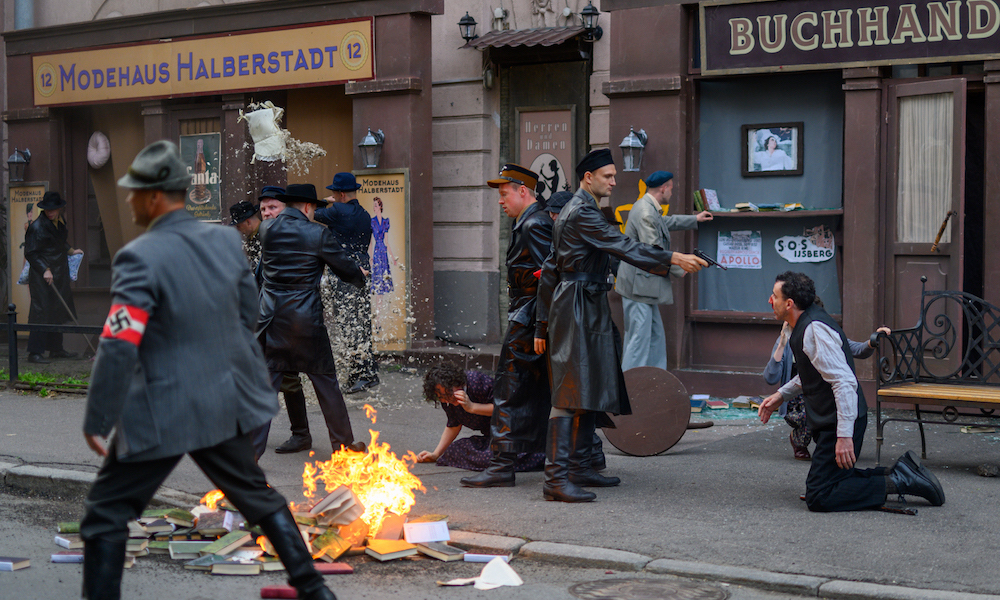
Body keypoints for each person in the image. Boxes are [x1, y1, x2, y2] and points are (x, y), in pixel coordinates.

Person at [79, 140, 337, 600]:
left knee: (105, 514)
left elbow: (119, 343)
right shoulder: (224, 241)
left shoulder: (138, 256)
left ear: (153, 197)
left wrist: (98, 416)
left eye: (134, 192)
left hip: (161, 407)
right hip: (222, 399)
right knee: (257, 496)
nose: (130, 200)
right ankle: (315, 590)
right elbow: (248, 312)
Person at [534, 148, 707, 503]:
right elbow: (622, 245)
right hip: (578, 305)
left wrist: (542, 322)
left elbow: (551, 267)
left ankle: (578, 467)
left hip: (585, 302)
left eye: (614, 175)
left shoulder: (579, 209)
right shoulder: (581, 211)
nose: (614, 181)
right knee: (570, 392)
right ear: (588, 178)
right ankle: (555, 479)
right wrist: (672, 257)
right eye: (608, 176)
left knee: (588, 386)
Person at [758, 271, 945, 512]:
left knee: (820, 496)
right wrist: (781, 395)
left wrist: (844, 436)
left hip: (840, 421)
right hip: (833, 419)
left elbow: (844, 382)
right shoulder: (805, 324)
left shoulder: (814, 329)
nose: (770, 300)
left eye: (774, 296)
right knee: (828, 483)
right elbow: (816, 372)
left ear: (789, 303)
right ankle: (899, 471)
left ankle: (901, 481)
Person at [255, 183, 367, 459]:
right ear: (307, 206)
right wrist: (359, 275)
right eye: (315, 209)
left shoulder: (266, 229)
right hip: (305, 320)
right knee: (326, 383)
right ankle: (343, 446)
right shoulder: (318, 233)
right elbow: (344, 268)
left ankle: (249, 455)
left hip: (271, 318)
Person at [461, 164, 553, 488]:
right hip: (530, 317)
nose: (500, 201)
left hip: (528, 318)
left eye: (504, 194)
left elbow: (548, 277)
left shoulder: (534, 224)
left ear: (522, 191)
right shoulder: (529, 221)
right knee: (540, 390)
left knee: (508, 390)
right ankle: (581, 457)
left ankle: (502, 466)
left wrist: (540, 326)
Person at [615, 170, 713, 371]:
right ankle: (630, 385)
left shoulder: (648, 206)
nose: (672, 192)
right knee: (639, 341)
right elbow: (653, 250)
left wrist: (695, 219)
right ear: (664, 188)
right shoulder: (646, 212)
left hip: (643, 286)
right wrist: (679, 268)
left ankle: (655, 381)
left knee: (654, 338)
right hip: (637, 287)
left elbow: (666, 222)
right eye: (671, 188)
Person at [764, 310, 890, 461]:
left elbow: (858, 351)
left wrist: (873, 340)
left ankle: (832, 446)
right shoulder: (789, 340)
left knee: (833, 409)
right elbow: (771, 377)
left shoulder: (824, 335)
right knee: (810, 415)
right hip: (796, 397)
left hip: (821, 392)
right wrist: (782, 343)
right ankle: (801, 440)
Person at [316, 172, 378, 394]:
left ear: (341, 194)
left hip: (345, 271)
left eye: (334, 193)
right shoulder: (364, 214)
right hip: (362, 268)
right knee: (361, 322)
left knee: (349, 323)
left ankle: (364, 375)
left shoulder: (338, 210)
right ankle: (362, 372)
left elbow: (312, 212)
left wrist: (325, 201)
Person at [417, 364, 545, 471]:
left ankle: (541, 455)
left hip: (517, 431)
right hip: (493, 437)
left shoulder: (477, 383)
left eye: (448, 394)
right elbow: (453, 425)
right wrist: (435, 454)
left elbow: (505, 409)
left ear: (455, 382)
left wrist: (472, 407)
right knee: (455, 450)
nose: (446, 400)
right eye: (441, 397)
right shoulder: (448, 401)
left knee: (500, 455)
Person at [24, 191, 83, 363]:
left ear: (59, 209)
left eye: (53, 209)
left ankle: (56, 349)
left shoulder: (59, 222)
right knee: (41, 311)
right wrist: (45, 270)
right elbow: (31, 252)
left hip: (58, 271)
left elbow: (58, 241)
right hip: (41, 275)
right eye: (48, 209)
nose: (50, 212)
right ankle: (34, 352)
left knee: (57, 309)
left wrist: (71, 251)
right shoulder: (37, 227)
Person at [369, 196, 398, 329]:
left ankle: (381, 319)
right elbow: (370, 242)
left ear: (380, 206)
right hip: (376, 253)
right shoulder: (372, 222)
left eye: (376, 205)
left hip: (383, 254)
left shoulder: (385, 221)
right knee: (378, 288)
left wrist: (392, 257)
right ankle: (377, 320)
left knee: (382, 287)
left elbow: (387, 242)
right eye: (374, 205)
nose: (374, 207)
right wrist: (370, 257)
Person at [230, 200, 262, 267]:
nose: (238, 230)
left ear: (248, 222)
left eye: (238, 226)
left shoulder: (265, 236)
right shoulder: (253, 236)